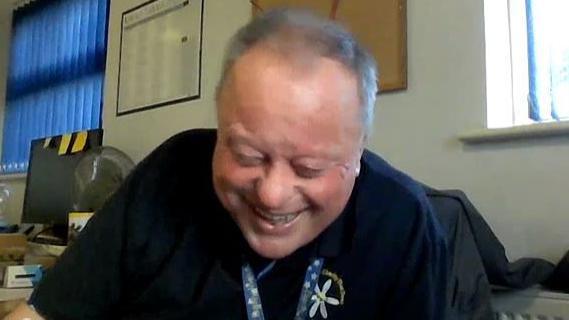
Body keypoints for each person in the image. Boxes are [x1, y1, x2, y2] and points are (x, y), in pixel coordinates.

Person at [7, 8, 448, 320]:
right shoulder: (169, 175)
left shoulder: (402, 222)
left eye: (309, 168)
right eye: (247, 155)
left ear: (358, 153)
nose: (272, 194)